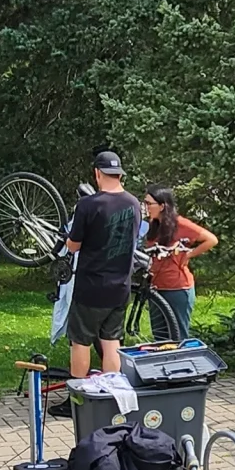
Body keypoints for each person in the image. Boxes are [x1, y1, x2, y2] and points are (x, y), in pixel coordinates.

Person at [61, 150, 143, 379]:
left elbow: (73, 245)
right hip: (120, 286)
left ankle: (78, 396)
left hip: (91, 287)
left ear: (97, 173)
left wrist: (68, 240)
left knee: (80, 341)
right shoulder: (134, 204)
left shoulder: (88, 205)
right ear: (119, 175)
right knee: (111, 342)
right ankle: (111, 393)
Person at [141, 186, 217, 340]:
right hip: (156, 288)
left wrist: (189, 254)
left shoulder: (180, 224)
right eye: (145, 203)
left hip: (177, 289)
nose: (146, 207)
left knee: (177, 338)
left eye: (149, 204)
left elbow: (211, 240)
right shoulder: (152, 225)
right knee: (160, 339)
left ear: (162, 206)